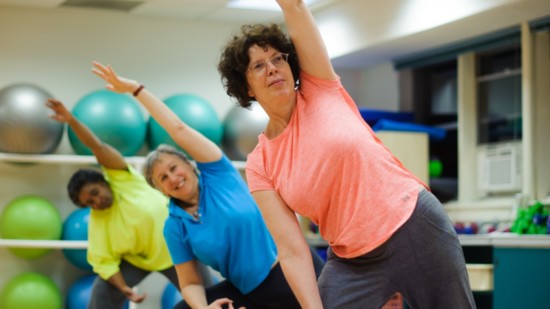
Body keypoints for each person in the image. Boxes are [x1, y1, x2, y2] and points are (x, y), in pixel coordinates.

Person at [216, 1, 477, 309]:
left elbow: (296, 8)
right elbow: (292, 250)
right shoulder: (261, 163)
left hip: (415, 225)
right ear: (246, 88)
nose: (272, 67)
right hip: (354, 261)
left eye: (277, 58)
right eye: (258, 65)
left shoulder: (319, 88)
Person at [91, 61, 325, 309]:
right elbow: (190, 282)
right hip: (248, 291)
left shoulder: (219, 174)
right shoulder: (174, 226)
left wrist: (136, 90)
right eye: (163, 178)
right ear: (160, 189)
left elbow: (177, 128)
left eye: (173, 168)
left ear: (190, 164)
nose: (173, 178)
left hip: (289, 272)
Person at [45, 99, 213, 309]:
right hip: (139, 261)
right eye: (89, 202)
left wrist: (71, 120)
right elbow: (104, 263)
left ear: (104, 180)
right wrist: (123, 287)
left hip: (177, 251)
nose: (97, 202)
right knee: (102, 293)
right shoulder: (98, 223)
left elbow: (97, 146)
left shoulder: (122, 179)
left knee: (210, 296)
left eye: (95, 193)